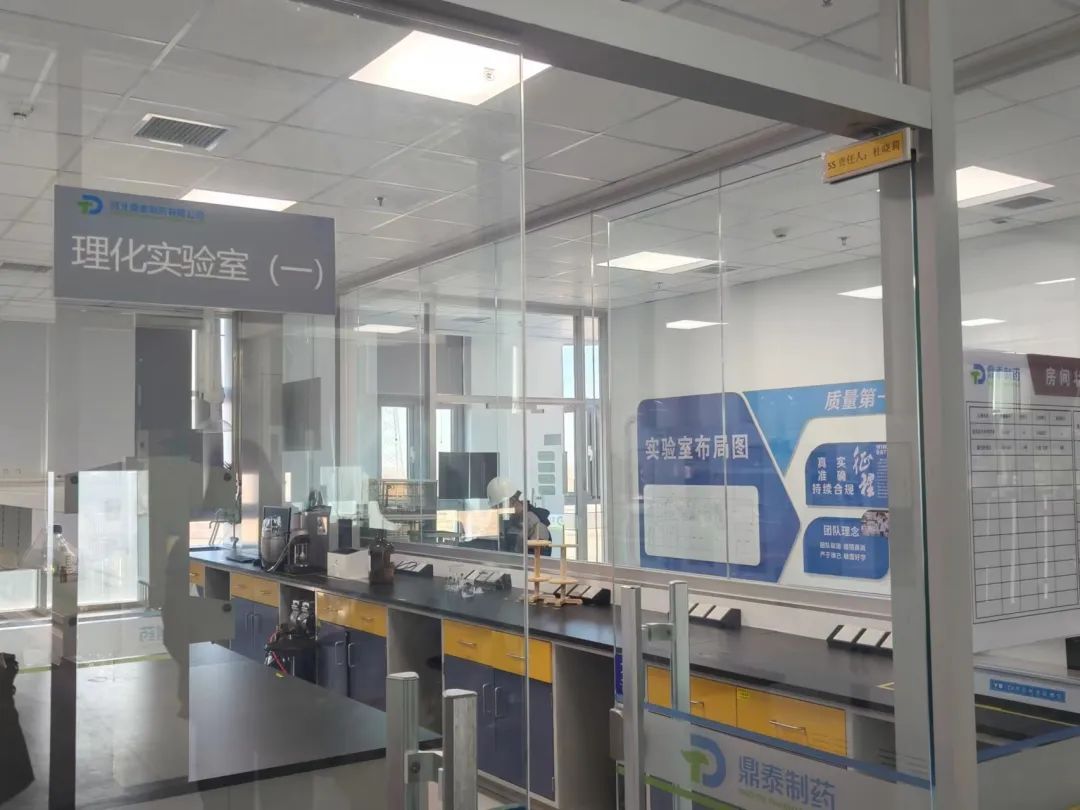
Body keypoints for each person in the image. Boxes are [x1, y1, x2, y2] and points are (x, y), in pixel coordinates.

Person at [486, 477, 551, 554]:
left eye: (501, 506)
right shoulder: (512, 521)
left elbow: (538, 558)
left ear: (513, 501)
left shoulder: (535, 524)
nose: (499, 511)